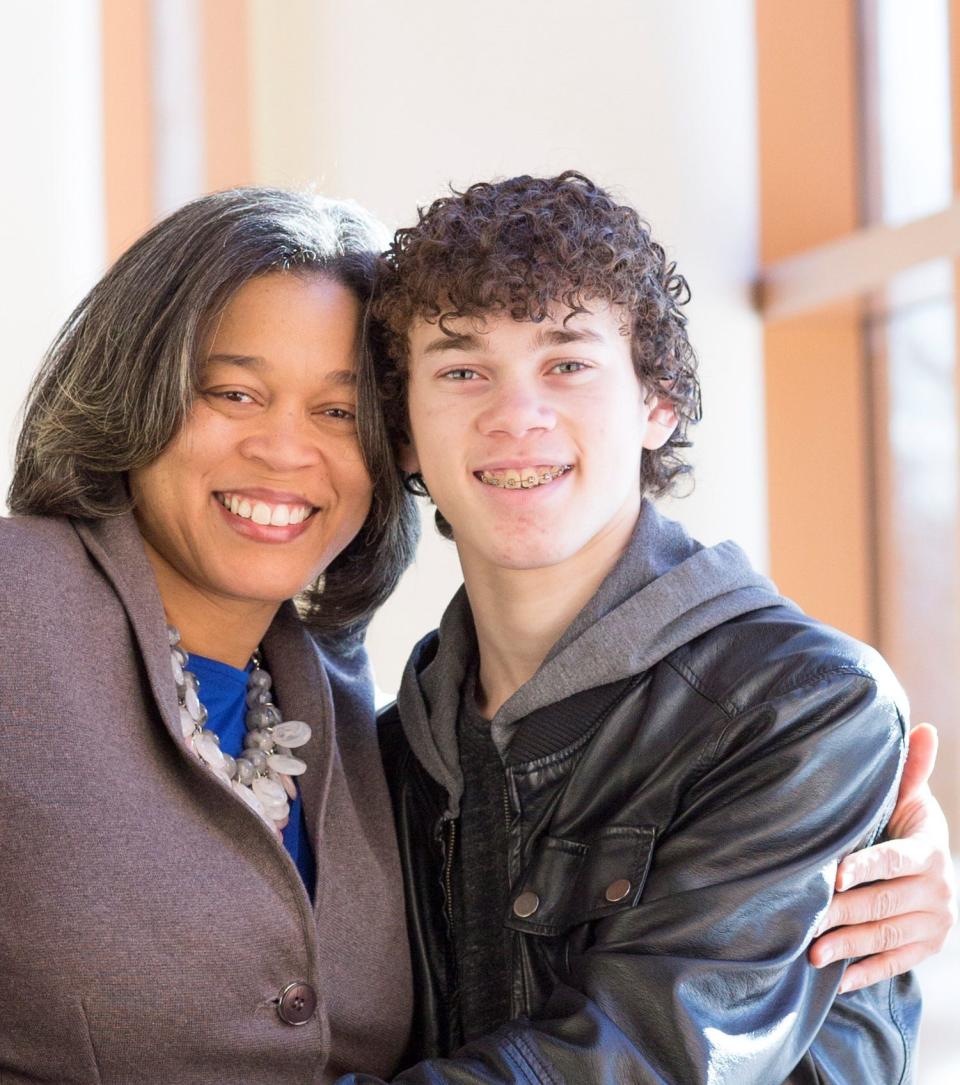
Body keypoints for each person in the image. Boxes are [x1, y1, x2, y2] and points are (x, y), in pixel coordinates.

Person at [340, 171, 956, 1083]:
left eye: (568, 363)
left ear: (656, 402)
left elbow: (639, 1062)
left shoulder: (804, 705)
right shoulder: (393, 753)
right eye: (463, 370)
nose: (516, 416)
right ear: (405, 434)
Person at [0, 189, 420, 1083]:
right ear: (135, 393)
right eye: (234, 392)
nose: (284, 449)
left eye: (339, 413)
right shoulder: (12, 605)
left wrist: (776, 862)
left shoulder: (351, 703)